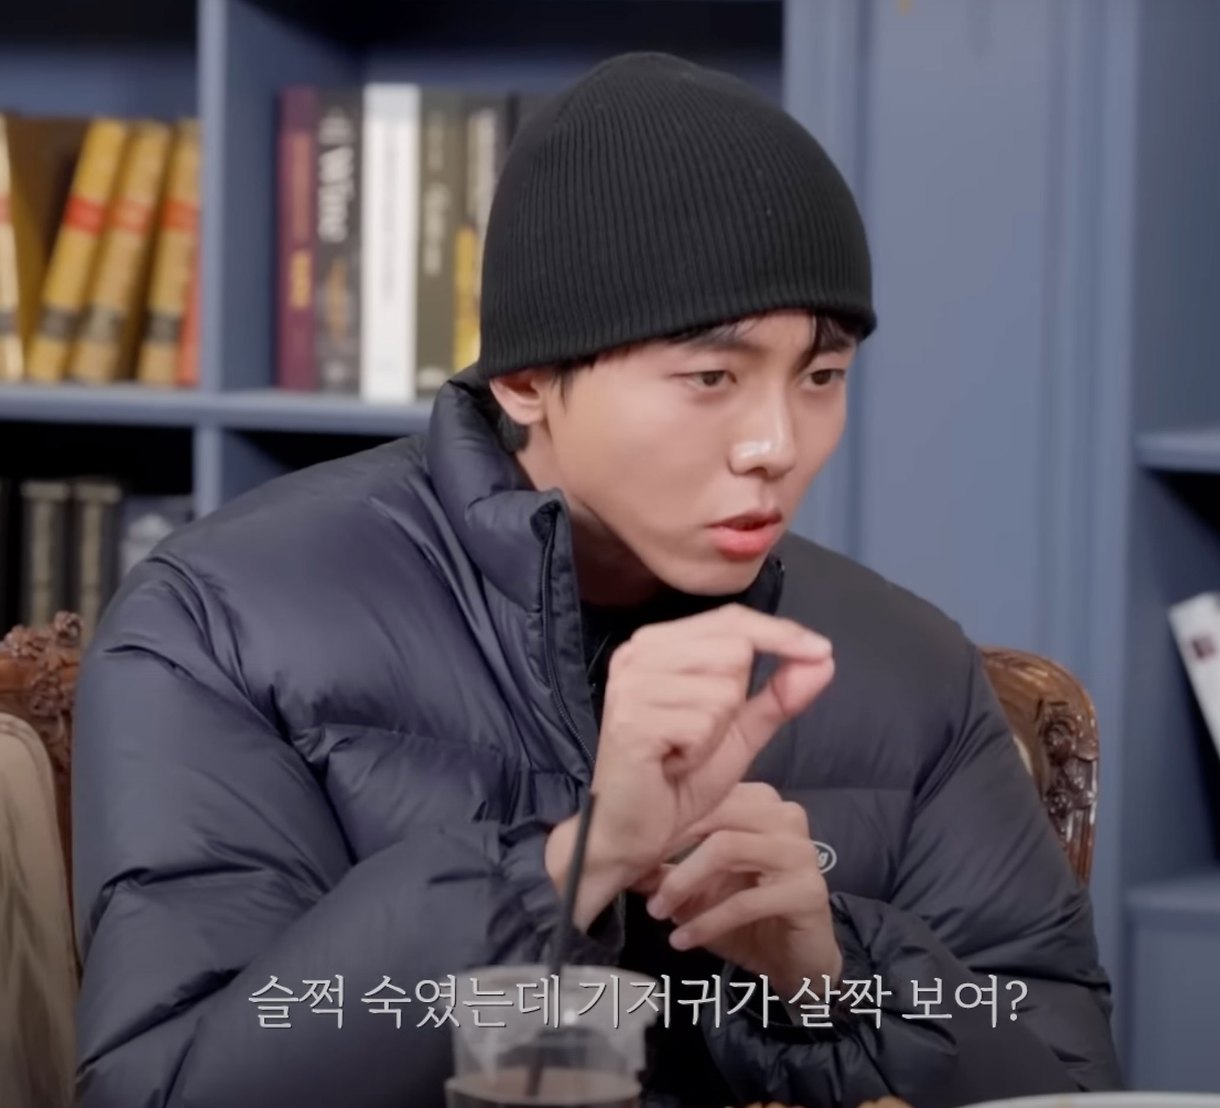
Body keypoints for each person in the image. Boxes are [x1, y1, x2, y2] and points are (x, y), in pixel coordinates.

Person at [71, 51, 1123, 1108]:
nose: (775, 443)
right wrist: (569, 868)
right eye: (710, 376)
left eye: (820, 375)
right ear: (527, 378)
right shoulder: (220, 623)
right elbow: (165, 1088)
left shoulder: (907, 667)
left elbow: (1070, 1081)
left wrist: (834, 976)